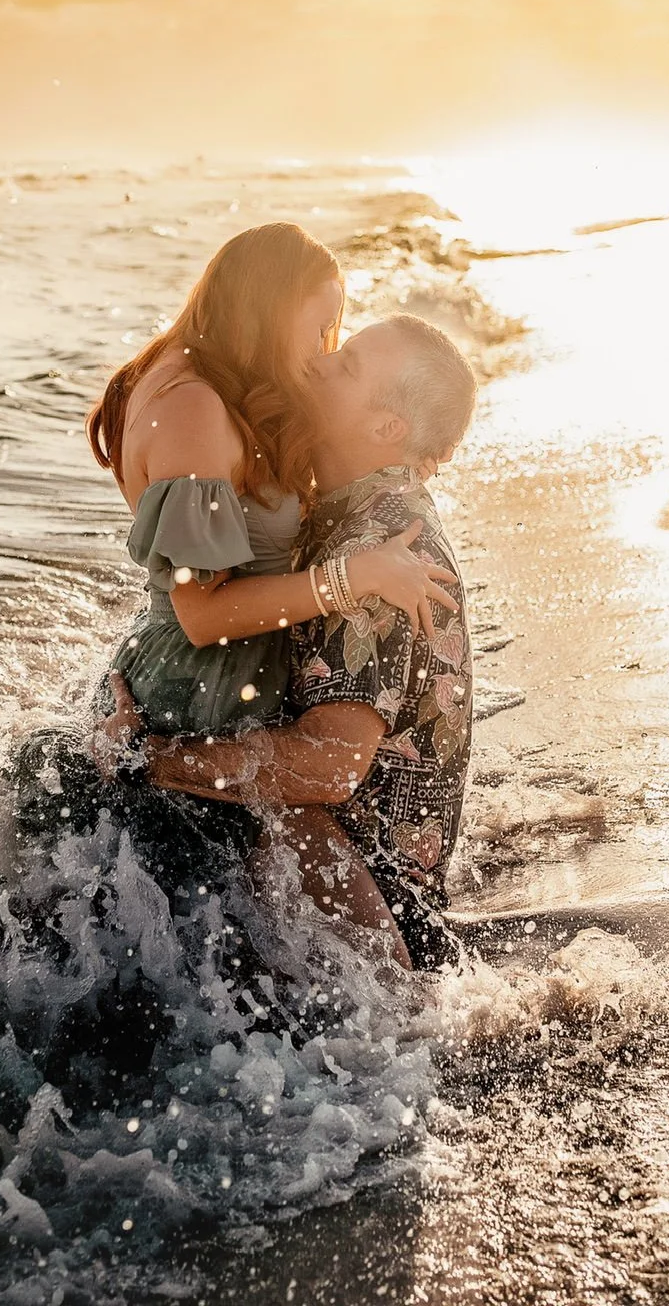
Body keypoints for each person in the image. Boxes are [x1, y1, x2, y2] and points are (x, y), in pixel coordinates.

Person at [103, 315, 480, 971]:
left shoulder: (378, 551)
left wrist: (150, 756)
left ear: (388, 428)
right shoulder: (341, 509)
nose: (323, 362)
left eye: (350, 365)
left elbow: (326, 768)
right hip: (328, 880)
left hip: (367, 930)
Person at [86, 223, 459, 742]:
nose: (320, 350)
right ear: (270, 313)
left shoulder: (208, 382)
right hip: (201, 691)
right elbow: (203, 615)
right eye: (318, 328)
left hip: (218, 682)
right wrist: (357, 576)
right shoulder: (191, 407)